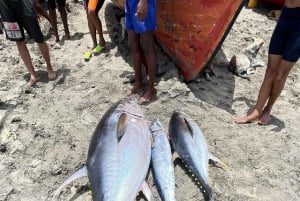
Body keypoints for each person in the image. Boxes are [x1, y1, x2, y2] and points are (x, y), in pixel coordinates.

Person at [236, 0, 300, 125]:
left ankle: (268, 109)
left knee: (280, 76)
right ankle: (256, 111)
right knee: (270, 70)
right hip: (285, 17)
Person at [0, 0, 56, 86]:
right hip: (5, 5)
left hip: (23, 3)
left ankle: (49, 67)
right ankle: (32, 74)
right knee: (18, 40)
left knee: (39, 38)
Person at [125, 0, 157, 104]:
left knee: (147, 47)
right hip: (129, 3)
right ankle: (138, 83)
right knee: (133, 45)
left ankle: (151, 89)